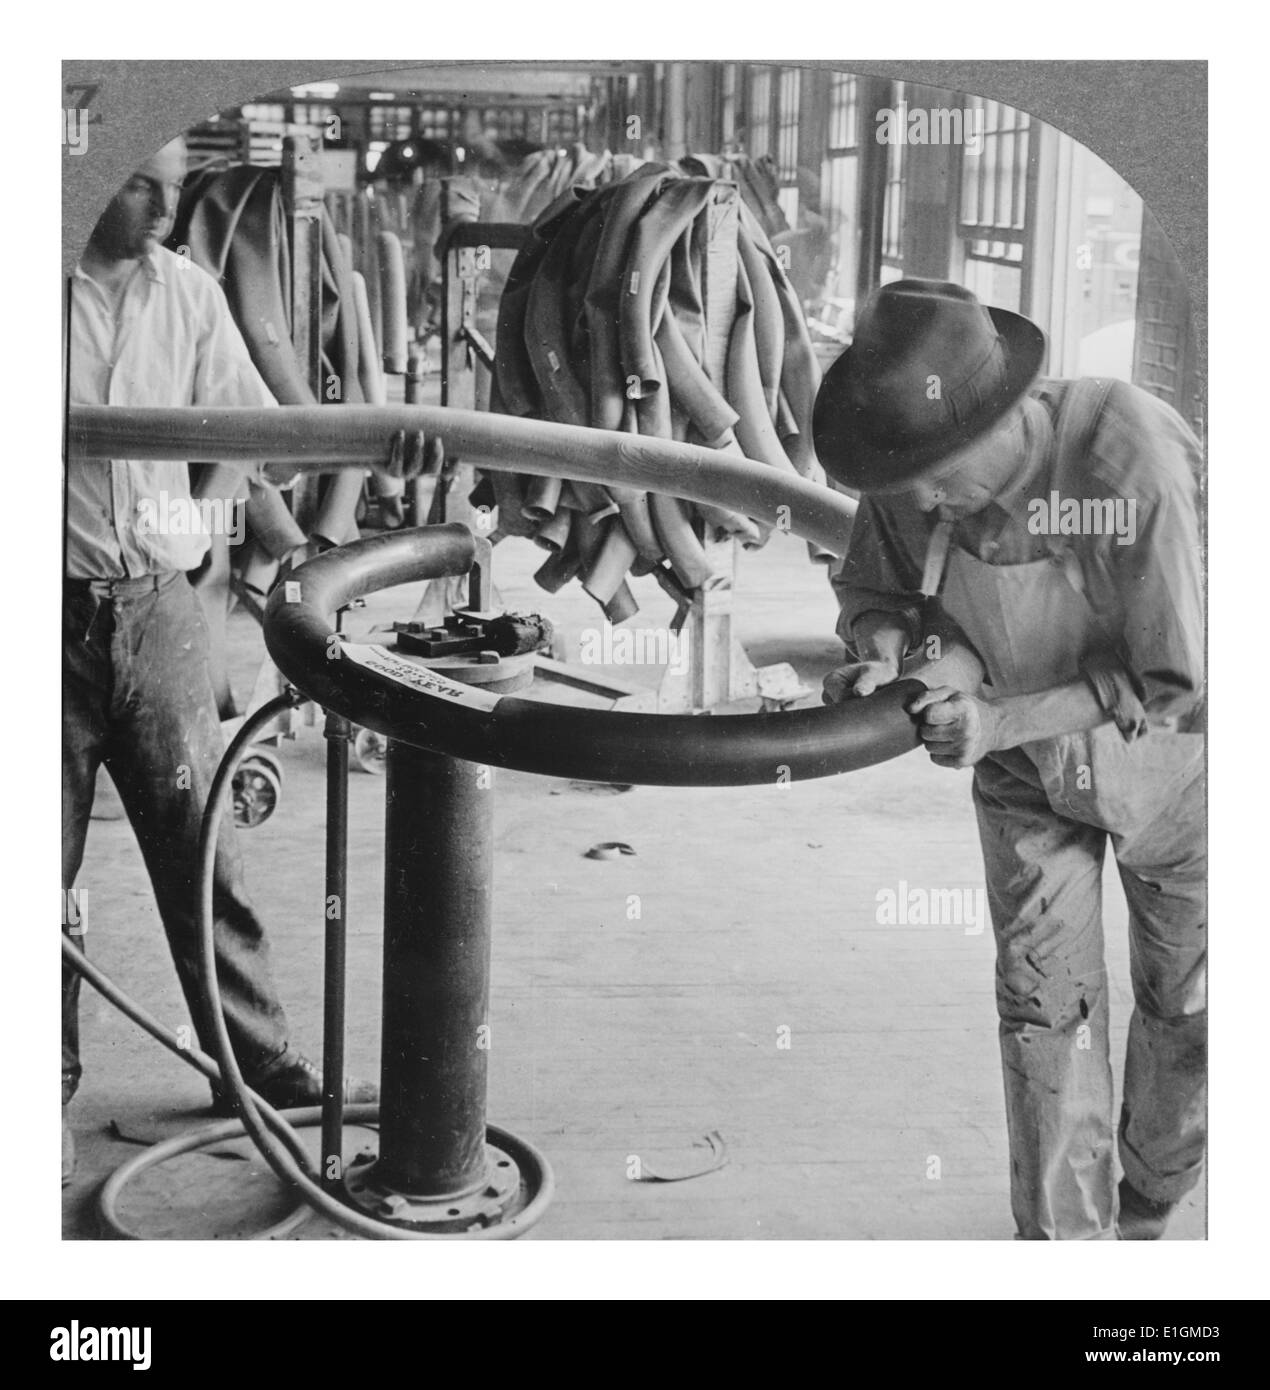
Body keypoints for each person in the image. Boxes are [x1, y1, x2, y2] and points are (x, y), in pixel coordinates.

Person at [815, 279, 1205, 1241]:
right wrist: (883, 653)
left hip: (1182, 772)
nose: (927, 499)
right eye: (910, 482)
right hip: (1030, 779)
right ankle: (1066, 1255)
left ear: (1013, 407)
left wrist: (998, 719)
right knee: (1045, 1010)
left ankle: (1150, 1197)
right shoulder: (908, 463)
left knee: (1192, 1004)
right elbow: (878, 589)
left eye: (943, 473)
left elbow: (1174, 679)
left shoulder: (1124, 459)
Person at [64, 138, 417, 1182]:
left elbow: (245, 428)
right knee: (37, 870)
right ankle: (38, 1083)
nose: (166, 199)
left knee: (201, 846)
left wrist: (188, 510)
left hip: (162, 611)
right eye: (140, 178)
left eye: (174, 180)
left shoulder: (189, 292)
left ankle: (255, 1067)